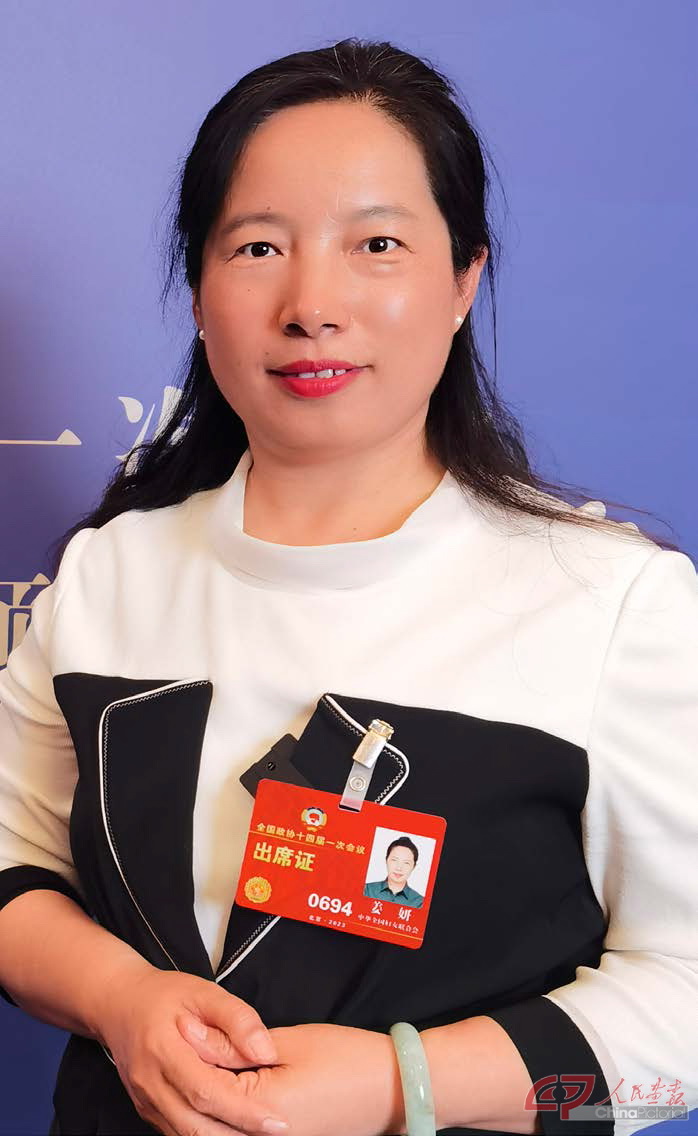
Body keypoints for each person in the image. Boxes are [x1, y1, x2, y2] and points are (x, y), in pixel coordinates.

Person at [0, 35, 695, 1136]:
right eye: (257, 247)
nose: (311, 303)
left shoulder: (614, 605)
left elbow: (684, 1019)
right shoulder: (109, 575)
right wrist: (118, 999)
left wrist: (401, 1083)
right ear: (198, 290)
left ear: (464, 280)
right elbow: (11, 862)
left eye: (376, 243)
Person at [364, 837, 425, 909]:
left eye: (406, 863)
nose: (399, 868)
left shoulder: (420, 903)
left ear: (413, 867)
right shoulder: (367, 890)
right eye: (394, 860)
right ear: (386, 860)